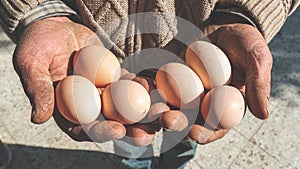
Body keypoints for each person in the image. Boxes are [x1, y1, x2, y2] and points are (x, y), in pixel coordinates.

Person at [0, 0, 299, 169]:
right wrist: (41, 13)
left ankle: (174, 166)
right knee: (129, 138)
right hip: (108, 63)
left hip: (195, 61)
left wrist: (243, 12)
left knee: (187, 134)